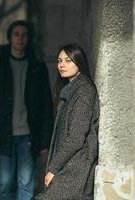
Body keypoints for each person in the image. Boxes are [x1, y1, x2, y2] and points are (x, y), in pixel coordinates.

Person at [0, 20, 53, 200]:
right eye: (16, 34)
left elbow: (46, 106)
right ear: (9, 38)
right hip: (3, 134)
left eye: (24, 35)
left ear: (29, 39)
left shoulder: (37, 67)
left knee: (26, 183)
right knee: (5, 183)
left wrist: (44, 140)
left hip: (28, 136)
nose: (20, 38)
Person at [35, 44, 100, 200]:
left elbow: (76, 137)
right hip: (69, 164)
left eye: (68, 60)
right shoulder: (70, 89)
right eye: (59, 61)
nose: (62, 65)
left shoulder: (83, 91)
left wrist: (53, 168)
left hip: (76, 166)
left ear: (79, 62)